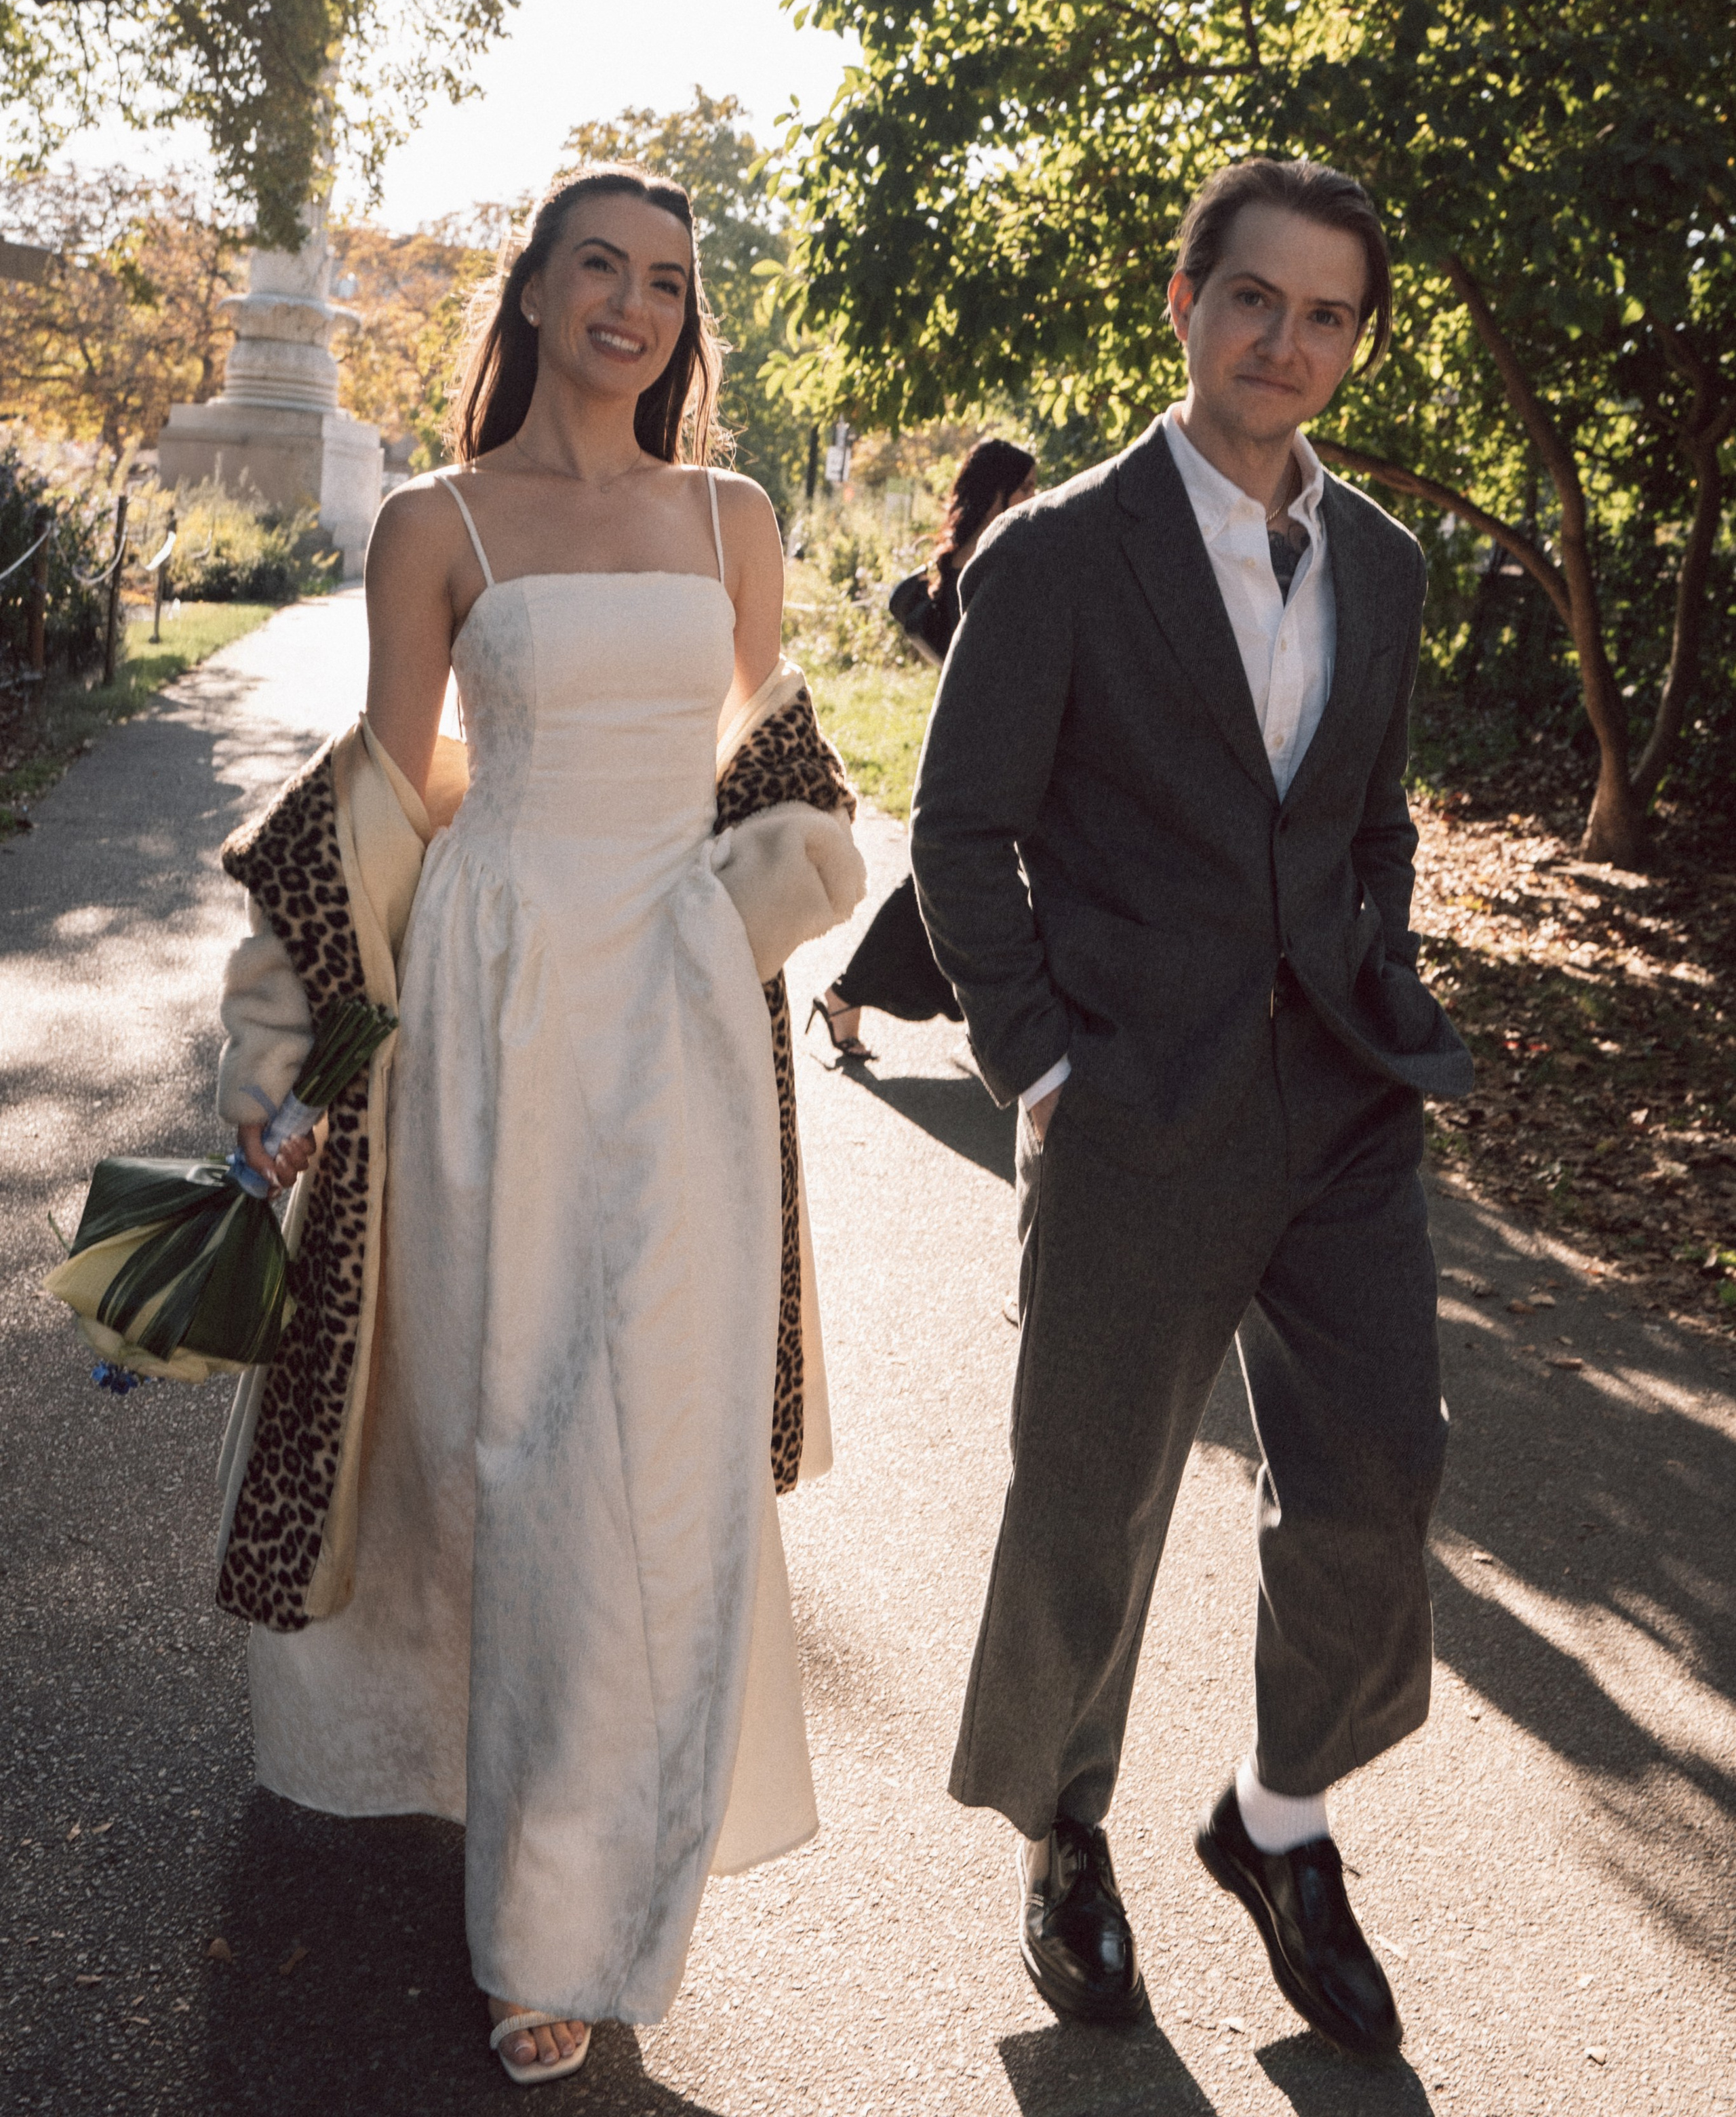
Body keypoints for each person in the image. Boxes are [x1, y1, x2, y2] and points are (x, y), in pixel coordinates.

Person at [212, 165, 864, 2083]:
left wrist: (735, 922)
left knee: (645, 1464)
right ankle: (507, 1833)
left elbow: (784, 771)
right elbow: (388, 802)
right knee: (506, 1447)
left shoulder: (733, 517)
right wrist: (302, 1066)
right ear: (539, 288)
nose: (637, 305)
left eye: (669, 280)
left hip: (672, 1031)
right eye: (604, 266)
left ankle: (564, 1923)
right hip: (491, 1022)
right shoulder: (435, 523)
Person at [910, 157, 1472, 2059]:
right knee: (1091, 1501)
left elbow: (1371, 816)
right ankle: (1066, 1836)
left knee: (1383, 1465)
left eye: (1327, 315)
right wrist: (1043, 1064)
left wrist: (1376, 963)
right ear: (1184, 301)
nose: (1285, 344)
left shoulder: (1384, 563)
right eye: (1255, 299)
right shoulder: (1061, 551)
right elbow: (960, 828)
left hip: (1341, 1107)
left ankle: (1278, 1819)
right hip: (1134, 1105)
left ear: (1356, 340)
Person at [810, 438, 1035, 1062]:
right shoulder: (988, 566)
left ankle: (962, 1011)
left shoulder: (974, 564)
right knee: (942, 888)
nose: (1037, 500)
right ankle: (849, 994)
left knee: (962, 887)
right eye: (1026, 490)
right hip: (982, 755)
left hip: (1004, 748)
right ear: (998, 495)